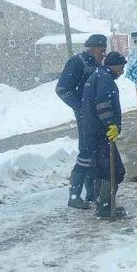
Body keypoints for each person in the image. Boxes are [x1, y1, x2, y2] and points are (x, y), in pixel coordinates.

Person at [58, 34, 108, 209]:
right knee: (86, 152)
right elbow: (62, 89)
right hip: (86, 117)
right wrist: (81, 107)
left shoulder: (96, 64)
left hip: (95, 116)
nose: (104, 54)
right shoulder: (77, 62)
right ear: (92, 48)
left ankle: (91, 194)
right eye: (102, 51)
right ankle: (74, 196)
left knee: (93, 153)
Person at [79, 51, 129, 220]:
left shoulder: (98, 75)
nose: (122, 71)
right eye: (121, 67)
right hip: (100, 133)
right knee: (114, 170)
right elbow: (103, 104)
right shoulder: (104, 78)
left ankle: (103, 205)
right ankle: (105, 208)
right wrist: (111, 124)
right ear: (113, 65)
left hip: (93, 132)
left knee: (101, 170)